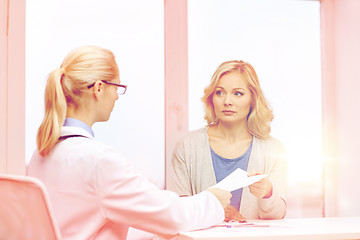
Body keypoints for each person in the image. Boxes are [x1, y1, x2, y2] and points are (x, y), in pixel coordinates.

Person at [27, 46, 232, 240]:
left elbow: (89, 218)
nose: (117, 96)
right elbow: (172, 215)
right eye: (117, 87)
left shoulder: (42, 153)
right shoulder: (99, 160)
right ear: (99, 88)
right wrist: (213, 200)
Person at [168, 60, 287, 222]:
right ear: (212, 98)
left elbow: (277, 215)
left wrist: (267, 192)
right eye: (219, 92)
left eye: (238, 93)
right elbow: (178, 212)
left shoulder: (274, 150)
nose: (227, 101)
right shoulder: (187, 147)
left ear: (253, 99)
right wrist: (212, 211)